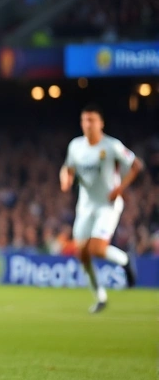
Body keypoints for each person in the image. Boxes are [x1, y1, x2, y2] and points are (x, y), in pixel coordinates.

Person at [60, 104, 142, 313]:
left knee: (97, 248)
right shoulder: (75, 146)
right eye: (84, 120)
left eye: (92, 120)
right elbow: (67, 168)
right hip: (86, 206)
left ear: (101, 123)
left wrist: (120, 188)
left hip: (108, 204)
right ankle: (100, 296)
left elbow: (136, 165)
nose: (88, 125)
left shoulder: (111, 145)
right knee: (82, 253)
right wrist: (66, 179)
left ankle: (124, 261)